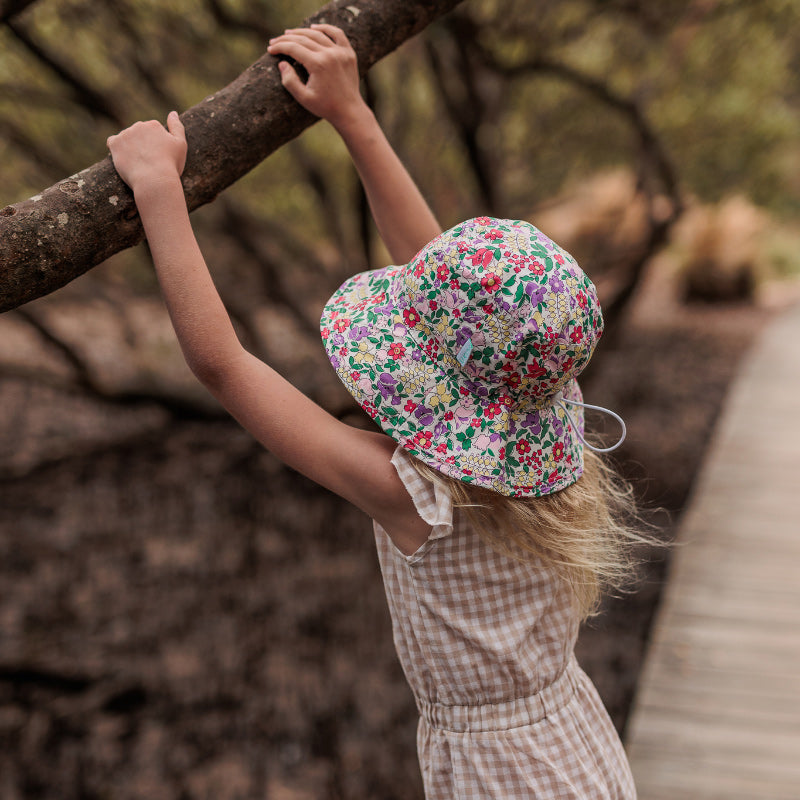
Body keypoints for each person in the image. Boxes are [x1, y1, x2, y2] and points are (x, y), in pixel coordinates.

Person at [107, 23, 642, 799]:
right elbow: (450, 284)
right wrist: (352, 115)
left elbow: (223, 367)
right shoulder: (540, 403)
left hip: (504, 782)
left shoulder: (418, 495)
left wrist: (160, 192)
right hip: (574, 751)